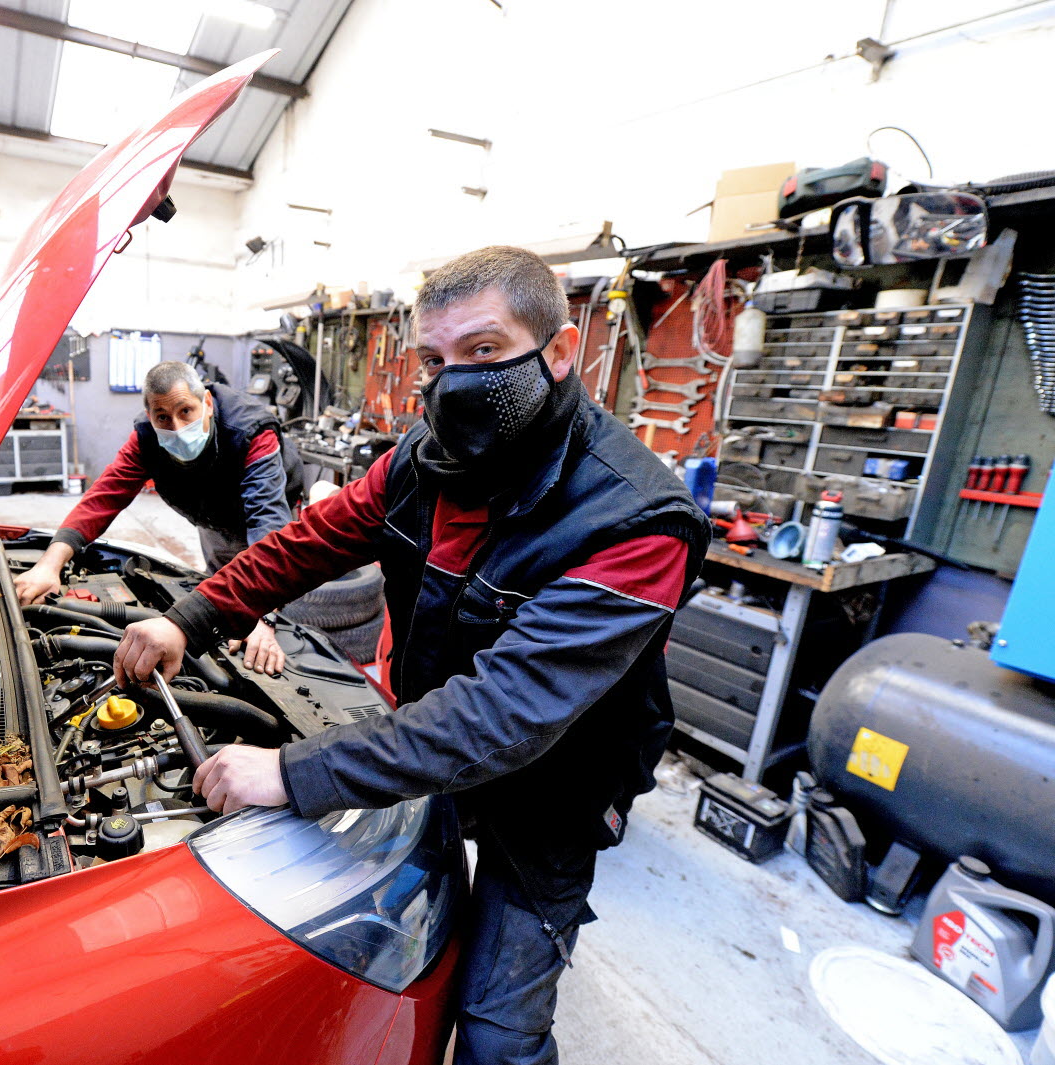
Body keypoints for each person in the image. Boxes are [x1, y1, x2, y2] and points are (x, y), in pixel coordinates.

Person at [111, 247, 708, 1064]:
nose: (453, 381)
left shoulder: (635, 520)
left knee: (497, 1032)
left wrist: (291, 772)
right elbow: (306, 543)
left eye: (484, 351)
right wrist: (194, 616)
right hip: (437, 730)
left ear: (561, 352)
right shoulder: (418, 463)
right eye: (435, 358)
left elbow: (504, 712)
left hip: (558, 784)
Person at [14, 360, 303, 675]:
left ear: (206, 403)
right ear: (149, 415)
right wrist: (49, 564)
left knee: (283, 591)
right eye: (163, 417)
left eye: (185, 412)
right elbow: (104, 498)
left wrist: (261, 615)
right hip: (214, 519)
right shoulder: (145, 439)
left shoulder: (250, 430)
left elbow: (267, 521)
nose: (176, 428)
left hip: (271, 512)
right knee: (221, 580)